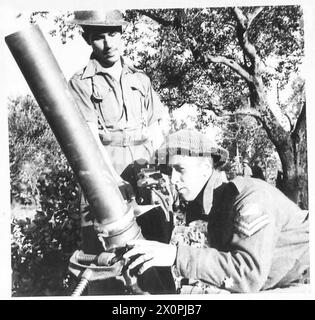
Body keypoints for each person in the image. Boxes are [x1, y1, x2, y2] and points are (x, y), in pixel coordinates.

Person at [122, 129, 309, 293]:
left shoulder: (250, 198)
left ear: (205, 168)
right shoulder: (208, 205)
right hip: (280, 282)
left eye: (180, 169)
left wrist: (175, 255)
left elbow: (246, 274)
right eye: (170, 171)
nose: (173, 179)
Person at [67, 10, 172, 253]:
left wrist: (160, 169)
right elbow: (89, 139)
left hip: (144, 161)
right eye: (99, 36)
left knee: (156, 235)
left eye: (113, 34)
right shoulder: (80, 82)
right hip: (106, 164)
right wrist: (112, 179)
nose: (108, 44)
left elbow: (156, 127)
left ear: (122, 34)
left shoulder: (141, 78)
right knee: (107, 244)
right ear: (87, 39)